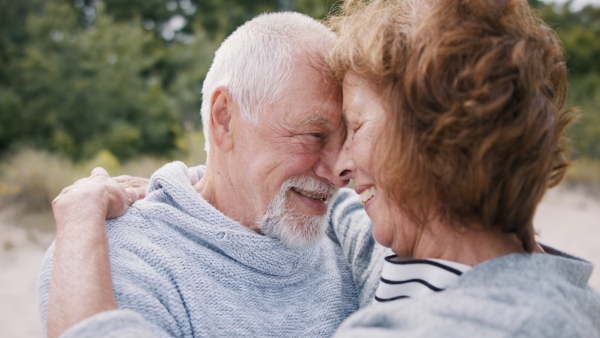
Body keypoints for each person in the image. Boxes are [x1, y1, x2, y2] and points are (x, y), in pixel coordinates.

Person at [37, 11, 388, 338]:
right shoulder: (109, 258)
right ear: (224, 119)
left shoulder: (368, 239)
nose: (341, 171)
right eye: (314, 135)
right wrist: (82, 211)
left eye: (348, 138)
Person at [325, 0, 600, 335]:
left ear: (436, 133)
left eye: (355, 127)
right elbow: (349, 220)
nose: (341, 164)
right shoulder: (573, 295)